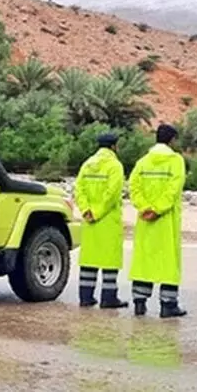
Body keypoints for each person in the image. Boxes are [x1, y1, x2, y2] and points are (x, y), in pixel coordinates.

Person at [127, 124, 188, 318]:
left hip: (145, 221)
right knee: (168, 263)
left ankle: (139, 303)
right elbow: (173, 189)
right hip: (166, 221)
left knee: (144, 262)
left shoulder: (143, 162)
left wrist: (145, 208)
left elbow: (133, 187)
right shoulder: (176, 161)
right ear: (171, 140)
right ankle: (168, 305)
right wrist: (158, 209)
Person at [73, 132, 128, 309]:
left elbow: (78, 189)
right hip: (107, 220)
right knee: (109, 260)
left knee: (89, 259)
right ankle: (108, 298)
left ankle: (85, 297)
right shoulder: (115, 166)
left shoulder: (87, 164)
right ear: (113, 146)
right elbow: (112, 194)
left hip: (89, 221)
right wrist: (98, 212)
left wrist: (86, 210)